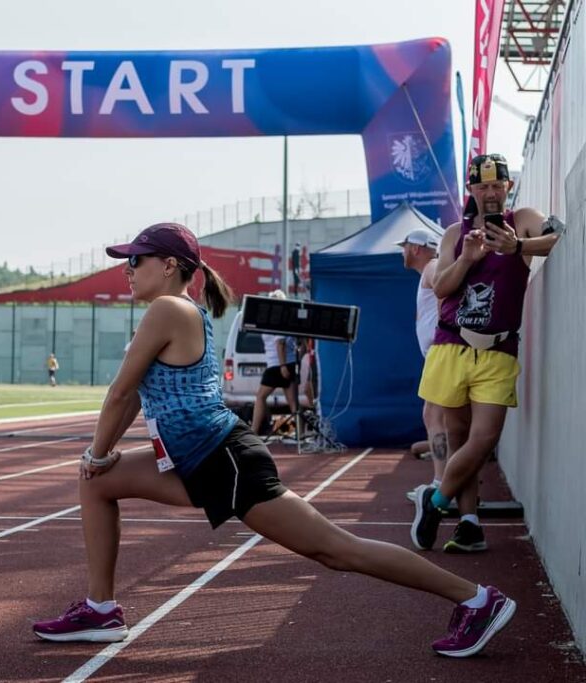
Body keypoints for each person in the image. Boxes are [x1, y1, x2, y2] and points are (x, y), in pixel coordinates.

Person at [32, 222, 516, 658]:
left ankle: (476, 598)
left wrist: (97, 452)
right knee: (96, 483)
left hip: (224, 460)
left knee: (336, 550)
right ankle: (101, 608)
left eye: (135, 261)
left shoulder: (167, 309)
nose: (128, 270)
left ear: (169, 266)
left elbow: (118, 393)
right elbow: (135, 393)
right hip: (193, 460)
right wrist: (100, 458)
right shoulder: (178, 310)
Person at [412, 153, 561, 554]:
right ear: (472, 191)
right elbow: (441, 287)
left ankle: (436, 500)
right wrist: (466, 258)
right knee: (459, 436)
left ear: (508, 187)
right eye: (483, 186)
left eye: (498, 185)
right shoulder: (453, 234)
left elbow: (556, 237)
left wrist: (517, 247)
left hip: (498, 349)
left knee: (484, 438)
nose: (490, 193)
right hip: (452, 345)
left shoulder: (522, 219)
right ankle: (469, 523)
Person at [396, 228, 447, 503]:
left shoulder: (432, 266)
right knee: (445, 420)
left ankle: (441, 484)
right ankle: (452, 481)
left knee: (433, 417)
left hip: (441, 353)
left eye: (404, 246)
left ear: (415, 248)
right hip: (438, 353)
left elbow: (444, 293)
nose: (402, 252)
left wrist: (444, 332)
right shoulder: (428, 270)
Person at [250, 290, 298, 439]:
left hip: (278, 365)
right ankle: (299, 432)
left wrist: (283, 366)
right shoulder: (274, 319)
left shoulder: (279, 319)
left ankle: (254, 431)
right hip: (285, 363)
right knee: (292, 401)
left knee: (260, 397)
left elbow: (280, 344)